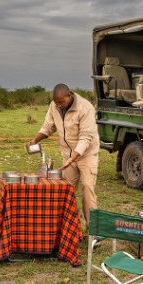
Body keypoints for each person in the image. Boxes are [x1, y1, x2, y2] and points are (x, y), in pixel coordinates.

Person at [28, 83, 99, 225]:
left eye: (61, 102)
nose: (59, 105)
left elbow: (86, 137)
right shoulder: (54, 106)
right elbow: (48, 126)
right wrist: (35, 140)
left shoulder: (85, 108)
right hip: (68, 154)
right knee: (67, 191)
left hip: (86, 155)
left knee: (87, 189)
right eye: (56, 103)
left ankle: (94, 233)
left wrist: (73, 157)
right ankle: (71, 229)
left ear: (69, 95)